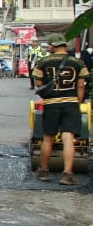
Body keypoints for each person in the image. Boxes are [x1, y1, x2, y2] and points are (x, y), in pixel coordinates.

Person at [32, 36, 86, 185]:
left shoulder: (43, 62)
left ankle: (44, 171)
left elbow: (39, 83)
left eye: (49, 45)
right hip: (71, 103)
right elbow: (81, 85)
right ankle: (67, 174)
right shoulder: (78, 62)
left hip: (51, 103)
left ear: (53, 46)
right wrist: (78, 101)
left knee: (48, 138)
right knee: (68, 138)